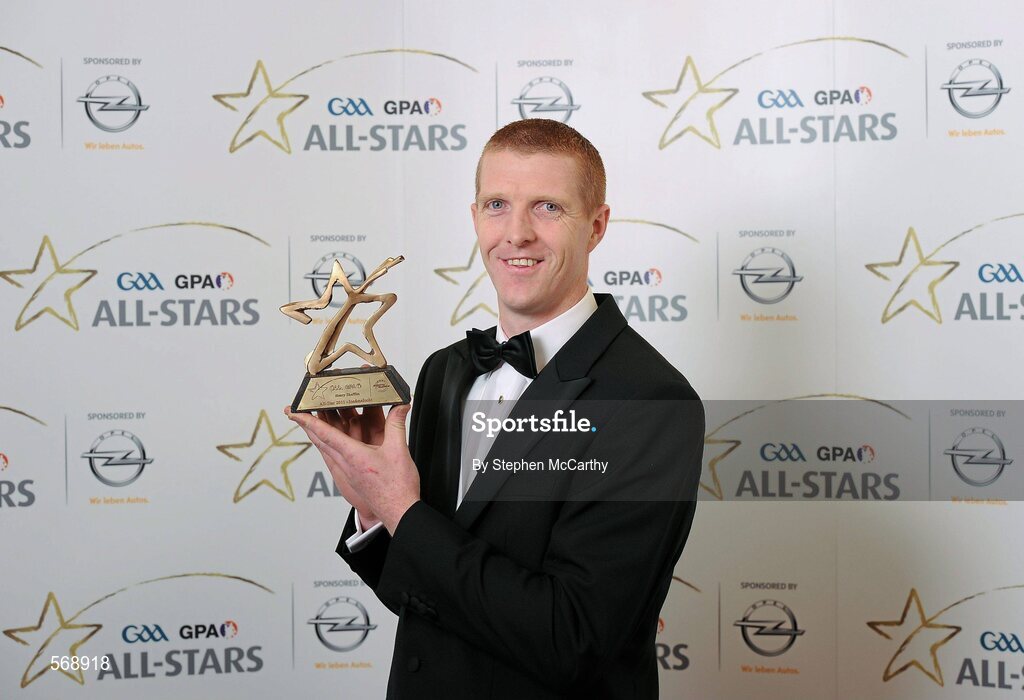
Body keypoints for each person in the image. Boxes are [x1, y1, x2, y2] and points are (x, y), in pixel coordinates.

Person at [286, 118, 705, 699]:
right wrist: (372, 511)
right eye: (497, 204)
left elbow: (572, 639)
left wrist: (402, 511)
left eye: (548, 208)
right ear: (475, 215)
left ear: (598, 225)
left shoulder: (650, 402)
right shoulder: (445, 371)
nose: (516, 234)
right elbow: (416, 590)